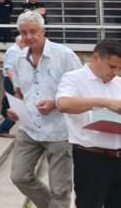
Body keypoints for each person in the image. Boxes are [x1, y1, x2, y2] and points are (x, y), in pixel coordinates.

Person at [6, 11, 81, 208]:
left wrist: (55, 103)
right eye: (23, 33)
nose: (28, 37)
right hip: (29, 129)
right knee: (19, 176)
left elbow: (81, 92)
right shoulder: (18, 59)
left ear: (43, 30)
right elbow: (21, 93)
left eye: (33, 31)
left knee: (60, 188)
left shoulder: (65, 55)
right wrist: (16, 111)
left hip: (59, 132)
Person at [56, 39, 121, 208]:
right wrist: (104, 102)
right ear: (96, 57)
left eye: (120, 68)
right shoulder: (74, 78)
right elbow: (63, 104)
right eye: (112, 67)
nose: (116, 72)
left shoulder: (119, 83)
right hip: (91, 157)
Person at [0, 35, 23, 138]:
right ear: (21, 42)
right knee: (19, 106)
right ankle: (3, 129)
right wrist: (15, 83)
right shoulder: (13, 51)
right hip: (12, 81)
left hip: (14, 81)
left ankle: (4, 129)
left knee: (18, 106)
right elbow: (8, 68)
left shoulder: (17, 50)